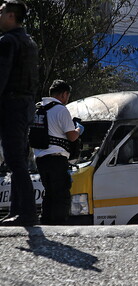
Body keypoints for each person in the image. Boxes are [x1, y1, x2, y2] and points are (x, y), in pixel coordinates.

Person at [0, 0, 39, 226]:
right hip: (25, 106)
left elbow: (1, 78)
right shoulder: (29, 42)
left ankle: (27, 213)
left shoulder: (8, 42)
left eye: (1, 12)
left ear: (11, 16)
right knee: (18, 160)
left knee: (15, 160)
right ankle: (16, 211)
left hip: (12, 106)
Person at [33, 80, 83, 225]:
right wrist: (79, 128)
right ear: (63, 94)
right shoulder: (61, 109)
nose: (67, 99)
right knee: (61, 195)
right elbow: (72, 136)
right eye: (67, 95)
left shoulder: (40, 109)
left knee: (49, 194)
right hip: (56, 159)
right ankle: (59, 228)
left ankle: (46, 224)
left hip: (40, 159)